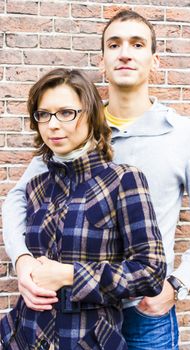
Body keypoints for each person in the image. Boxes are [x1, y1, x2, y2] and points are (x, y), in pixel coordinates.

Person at [2, 10, 190, 350]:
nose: (125, 53)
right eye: (114, 44)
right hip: (77, 314)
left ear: (155, 60)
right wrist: (23, 262)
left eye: (137, 44)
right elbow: (19, 198)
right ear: (102, 59)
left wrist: (176, 284)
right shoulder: (74, 125)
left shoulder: (183, 134)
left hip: (144, 309)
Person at [0, 68, 166, 349]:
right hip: (26, 335)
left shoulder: (123, 180)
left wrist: (69, 275)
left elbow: (150, 271)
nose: (53, 124)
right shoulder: (37, 186)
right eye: (44, 114)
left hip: (89, 339)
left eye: (66, 113)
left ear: (90, 114)